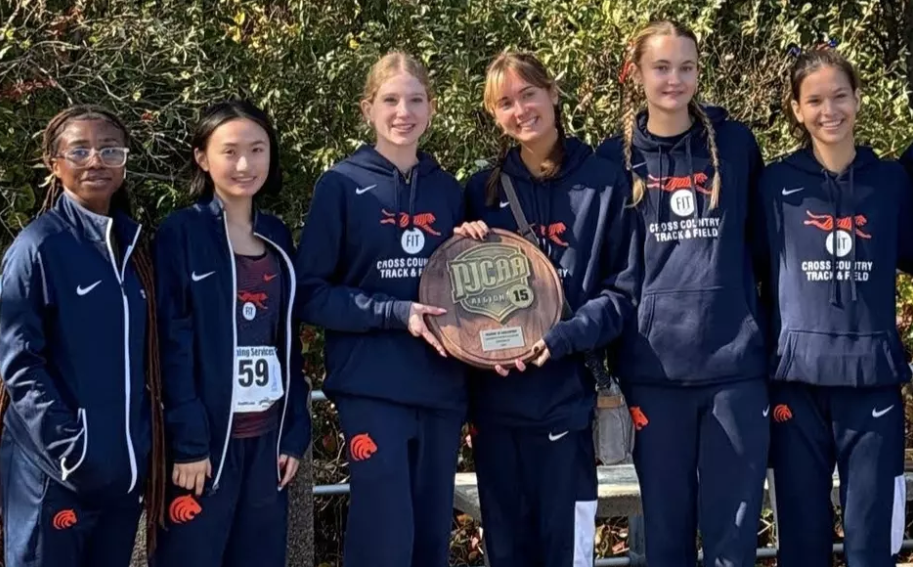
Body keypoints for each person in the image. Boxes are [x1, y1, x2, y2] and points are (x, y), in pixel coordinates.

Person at [456, 51, 640, 567]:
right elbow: (454, 300)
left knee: (569, 552)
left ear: (553, 93)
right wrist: (462, 245)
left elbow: (622, 295)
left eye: (529, 94)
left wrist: (563, 338)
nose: (521, 110)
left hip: (565, 402)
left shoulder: (605, 182)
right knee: (507, 552)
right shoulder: (481, 191)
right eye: (506, 102)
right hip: (495, 410)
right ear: (495, 114)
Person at [596, 20, 769, 567]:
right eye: (662, 67)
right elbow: (607, 262)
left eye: (687, 67)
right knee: (667, 538)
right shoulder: (613, 159)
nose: (675, 79)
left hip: (734, 368)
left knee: (732, 540)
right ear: (638, 75)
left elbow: (762, 247)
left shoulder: (736, 144)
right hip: (655, 372)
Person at [295, 52, 466, 567]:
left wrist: (480, 243)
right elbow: (310, 293)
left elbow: (470, 281)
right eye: (390, 100)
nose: (403, 111)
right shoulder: (340, 186)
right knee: (384, 538)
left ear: (431, 109)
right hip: (372, 388)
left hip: (441, 388)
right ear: (368, 108)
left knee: (431, 540)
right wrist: (394, 311)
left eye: (415, 100)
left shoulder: (449, 189)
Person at [758, 47, 913, 567]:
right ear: (797, 110)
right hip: (795, 384)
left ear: (858, 99)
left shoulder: (891, 181)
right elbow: (747, 268)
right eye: (816, 100)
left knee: (875, 546)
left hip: (873, 381)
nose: (830, 111)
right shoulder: (775, 185)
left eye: (840, 96)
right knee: (803, 546)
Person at [0, 105, 165, 566]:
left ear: (125, 161)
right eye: (80, 149)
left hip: (121, 478)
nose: (96, 160)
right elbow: (19, 364)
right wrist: (72, 450)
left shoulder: (134, 250)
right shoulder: (38, 247)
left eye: (110, 149)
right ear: (55, 164)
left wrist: (140, 447)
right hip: (55, 477)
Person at [150, 100, 310, 567]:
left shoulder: (277, 235)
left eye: (258, 150)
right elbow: (171, 345)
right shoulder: (181, 233)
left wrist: (293, 432)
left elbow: (288, 341)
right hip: (206, 448)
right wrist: (189, 441)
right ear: (203, 157)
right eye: (230, 151)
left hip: (266, 444)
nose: (245, 164)